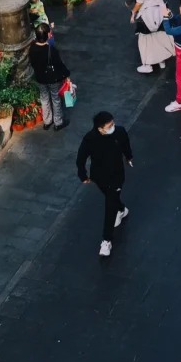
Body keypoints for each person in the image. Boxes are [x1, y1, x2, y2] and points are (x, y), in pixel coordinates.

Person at [76, 111, 133, 258]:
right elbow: (81, 158)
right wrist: (83, 175)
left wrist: (129, 157)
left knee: (109, 206)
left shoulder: (119, 132)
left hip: (116, 177)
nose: (113, 127)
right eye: (110, 125)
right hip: (99, 177)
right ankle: (121, 209)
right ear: (100, 129)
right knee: (111, 198)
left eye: (113, 123)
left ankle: (106, 240)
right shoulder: (90, 139)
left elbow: (126, 144)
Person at [29, 22, 69, 131]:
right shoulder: (51, 50)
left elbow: (32, 63)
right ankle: (58, 122)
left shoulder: (32, 48)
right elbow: (59, 64)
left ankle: (47, 121)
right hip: (53, 79)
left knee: (44, 99)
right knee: (55, 99)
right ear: (47, 35)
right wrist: (67, 74)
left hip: (40, 78)